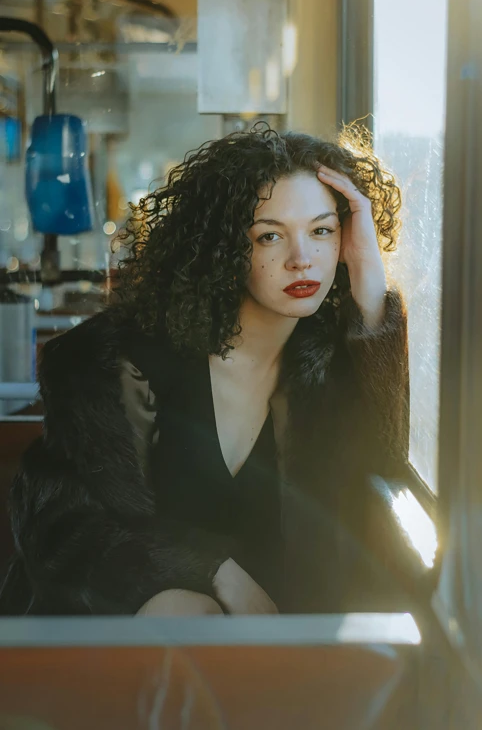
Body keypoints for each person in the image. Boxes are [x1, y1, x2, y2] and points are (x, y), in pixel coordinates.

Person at [0, 124, 416, 617]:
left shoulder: (331, 368)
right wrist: (211, 571)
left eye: (322, 231)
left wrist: (370, 290)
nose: (302, 259)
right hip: (108, 640)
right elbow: (61, 527)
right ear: (225, 248)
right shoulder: (118, 364)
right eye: (269, 236)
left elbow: (383, 463)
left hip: (280, 652)